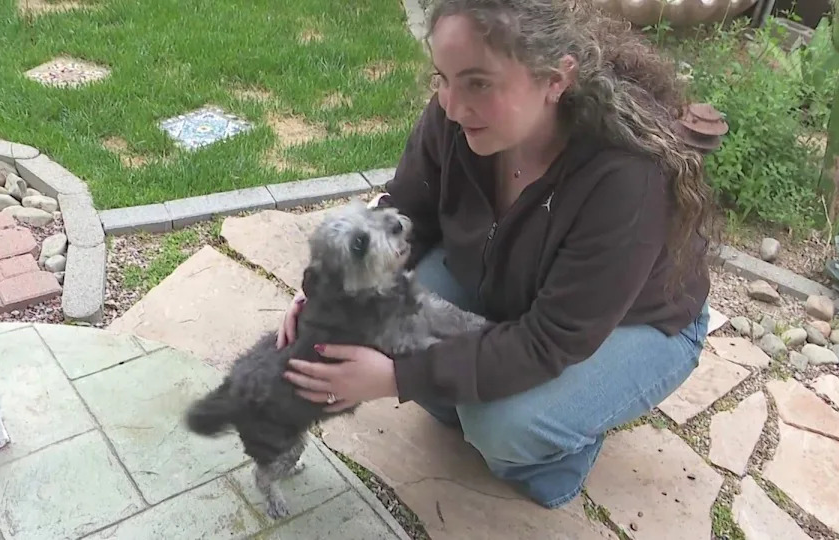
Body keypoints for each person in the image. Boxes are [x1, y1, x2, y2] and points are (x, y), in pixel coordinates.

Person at [277, 0, 713, 509]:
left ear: (556, 78)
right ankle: (494, 393)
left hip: (636, 322)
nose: (453, 106)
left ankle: (565, 450)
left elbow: (548, 341)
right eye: (443, 77)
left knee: (500, 427)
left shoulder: (626, 179)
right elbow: (403, 214)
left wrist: (399, 378)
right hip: (509, 283)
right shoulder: (455, 117)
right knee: (407, 351)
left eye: (479, 83)